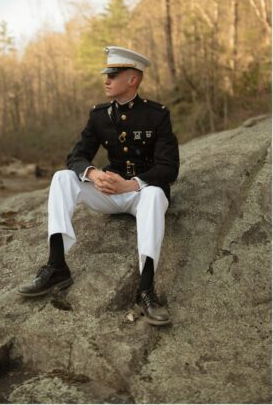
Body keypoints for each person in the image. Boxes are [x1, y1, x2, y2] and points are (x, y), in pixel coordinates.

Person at [17, 47, 179, 326]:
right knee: (62, 177)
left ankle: (146, 289)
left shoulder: (157, 115)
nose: (106, 79)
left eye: (113, 75)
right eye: (106, 74)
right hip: (110, 194)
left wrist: (132, 184)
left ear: (133, 80)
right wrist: (92, 173)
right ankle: (57, 265)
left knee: (153, 193)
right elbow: (75, 156)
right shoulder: (99, 116)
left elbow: (169, 168)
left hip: (142, 193)